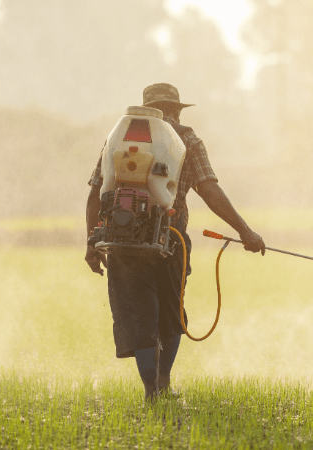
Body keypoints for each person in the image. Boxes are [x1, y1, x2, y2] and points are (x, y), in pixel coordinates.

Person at [84, 83, 265, 400]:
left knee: (139, 317)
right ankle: (163, 383)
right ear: (176, 110)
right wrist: (245, 231)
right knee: (170, 315)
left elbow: (96, 193)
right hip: (170, 238)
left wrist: (91, 242)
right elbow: (208, 190)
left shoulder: (119, 137)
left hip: (122, 242)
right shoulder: (188, 140)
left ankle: (151, 390)